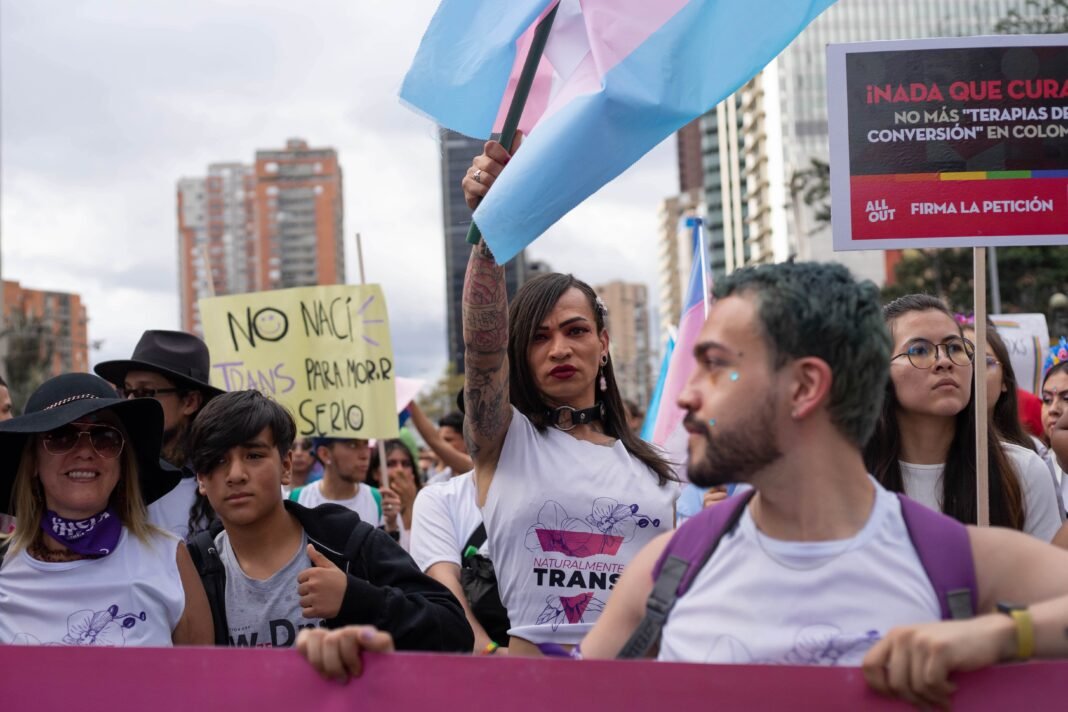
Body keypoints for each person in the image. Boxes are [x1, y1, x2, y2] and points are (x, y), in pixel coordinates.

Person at [298, 262, 1068, 692]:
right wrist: (384, 677)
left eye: (718, 368)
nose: (687, 396)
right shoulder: (669, 573)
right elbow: (560, 703)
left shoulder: (949, 557)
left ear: (804, 388)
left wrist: (997, 636)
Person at [439, 138, 677, 655]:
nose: (560, 348)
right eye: (539, 337)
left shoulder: (663, 468)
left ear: (604, 343)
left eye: (575, 331)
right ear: (519, 355)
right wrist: (490, 234)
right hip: (533, 693)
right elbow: (481, 347)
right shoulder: (505, 442)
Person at [188, 389, 473, 651]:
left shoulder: (345, 542)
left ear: (285, 466)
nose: (236, 474)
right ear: (201, 478)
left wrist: (355, 598)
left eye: (254, 455)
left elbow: (453, 630)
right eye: (218, 460)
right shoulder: (193, 569)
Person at [0, 373, 212, 646]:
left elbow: (203, 683)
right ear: (32, 463)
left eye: (104, 437)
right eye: (61, 436)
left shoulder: (169, 558)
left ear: (123, 463)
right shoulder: (4, 569)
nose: (86, 452)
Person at [865, 295, 1061, 541]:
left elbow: (1048, 575)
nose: (944, 361)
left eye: (955, 347)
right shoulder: (852, 477)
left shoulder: (1022, 471)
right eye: (919, 350)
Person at [94, 330, 223, 540]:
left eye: (145, 392)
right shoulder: (113, 473)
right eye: (126, 391)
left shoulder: (222, 480)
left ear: (190, 402)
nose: (131, 402)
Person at [407, 403, 472, 485]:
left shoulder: (479, 469)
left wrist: (409, 404)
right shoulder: (436, 482)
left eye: (448, 440)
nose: (443, 446)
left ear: (468, 440)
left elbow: (435, 442)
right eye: (441, 440)